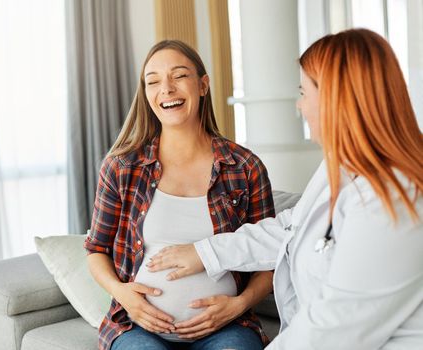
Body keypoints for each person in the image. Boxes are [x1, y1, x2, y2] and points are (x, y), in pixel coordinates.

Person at [147, 29, 423, 349]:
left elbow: (333, 328)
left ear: (337, 100)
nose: (299, 106)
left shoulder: (397, 199)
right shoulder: (342, 168)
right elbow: (292, 227)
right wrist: (205, 252)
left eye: (304, 93)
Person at [84, 39, 276, 350]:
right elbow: (96, 250)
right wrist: (124, 296)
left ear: (203, 85)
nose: (167, 88)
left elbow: (269, 256)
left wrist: (238, 305)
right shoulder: (121, 167)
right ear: (146, 94)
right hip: (138, 328)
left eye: (179, 76)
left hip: (226, 327)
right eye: (154, 81)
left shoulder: (245, 167)